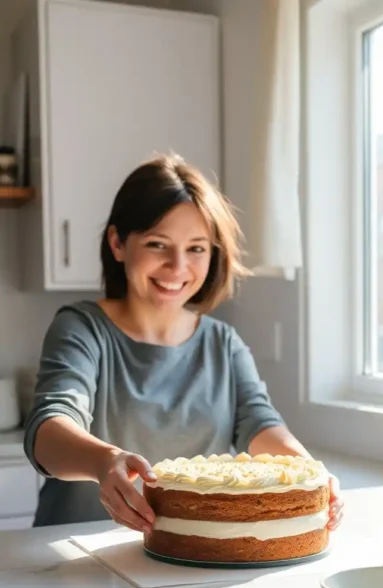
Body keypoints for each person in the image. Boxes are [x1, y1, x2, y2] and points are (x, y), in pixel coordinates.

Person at [24, 154, 343, 534]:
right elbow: (49, 427)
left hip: (184, 554)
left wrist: (311, 474)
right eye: (158, 244)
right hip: (74, 552)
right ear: (118, 243)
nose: (178, 267)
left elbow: (260, 424)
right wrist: (103, 462)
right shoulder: (82, 328)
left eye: (196, 248)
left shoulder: (223, 343)